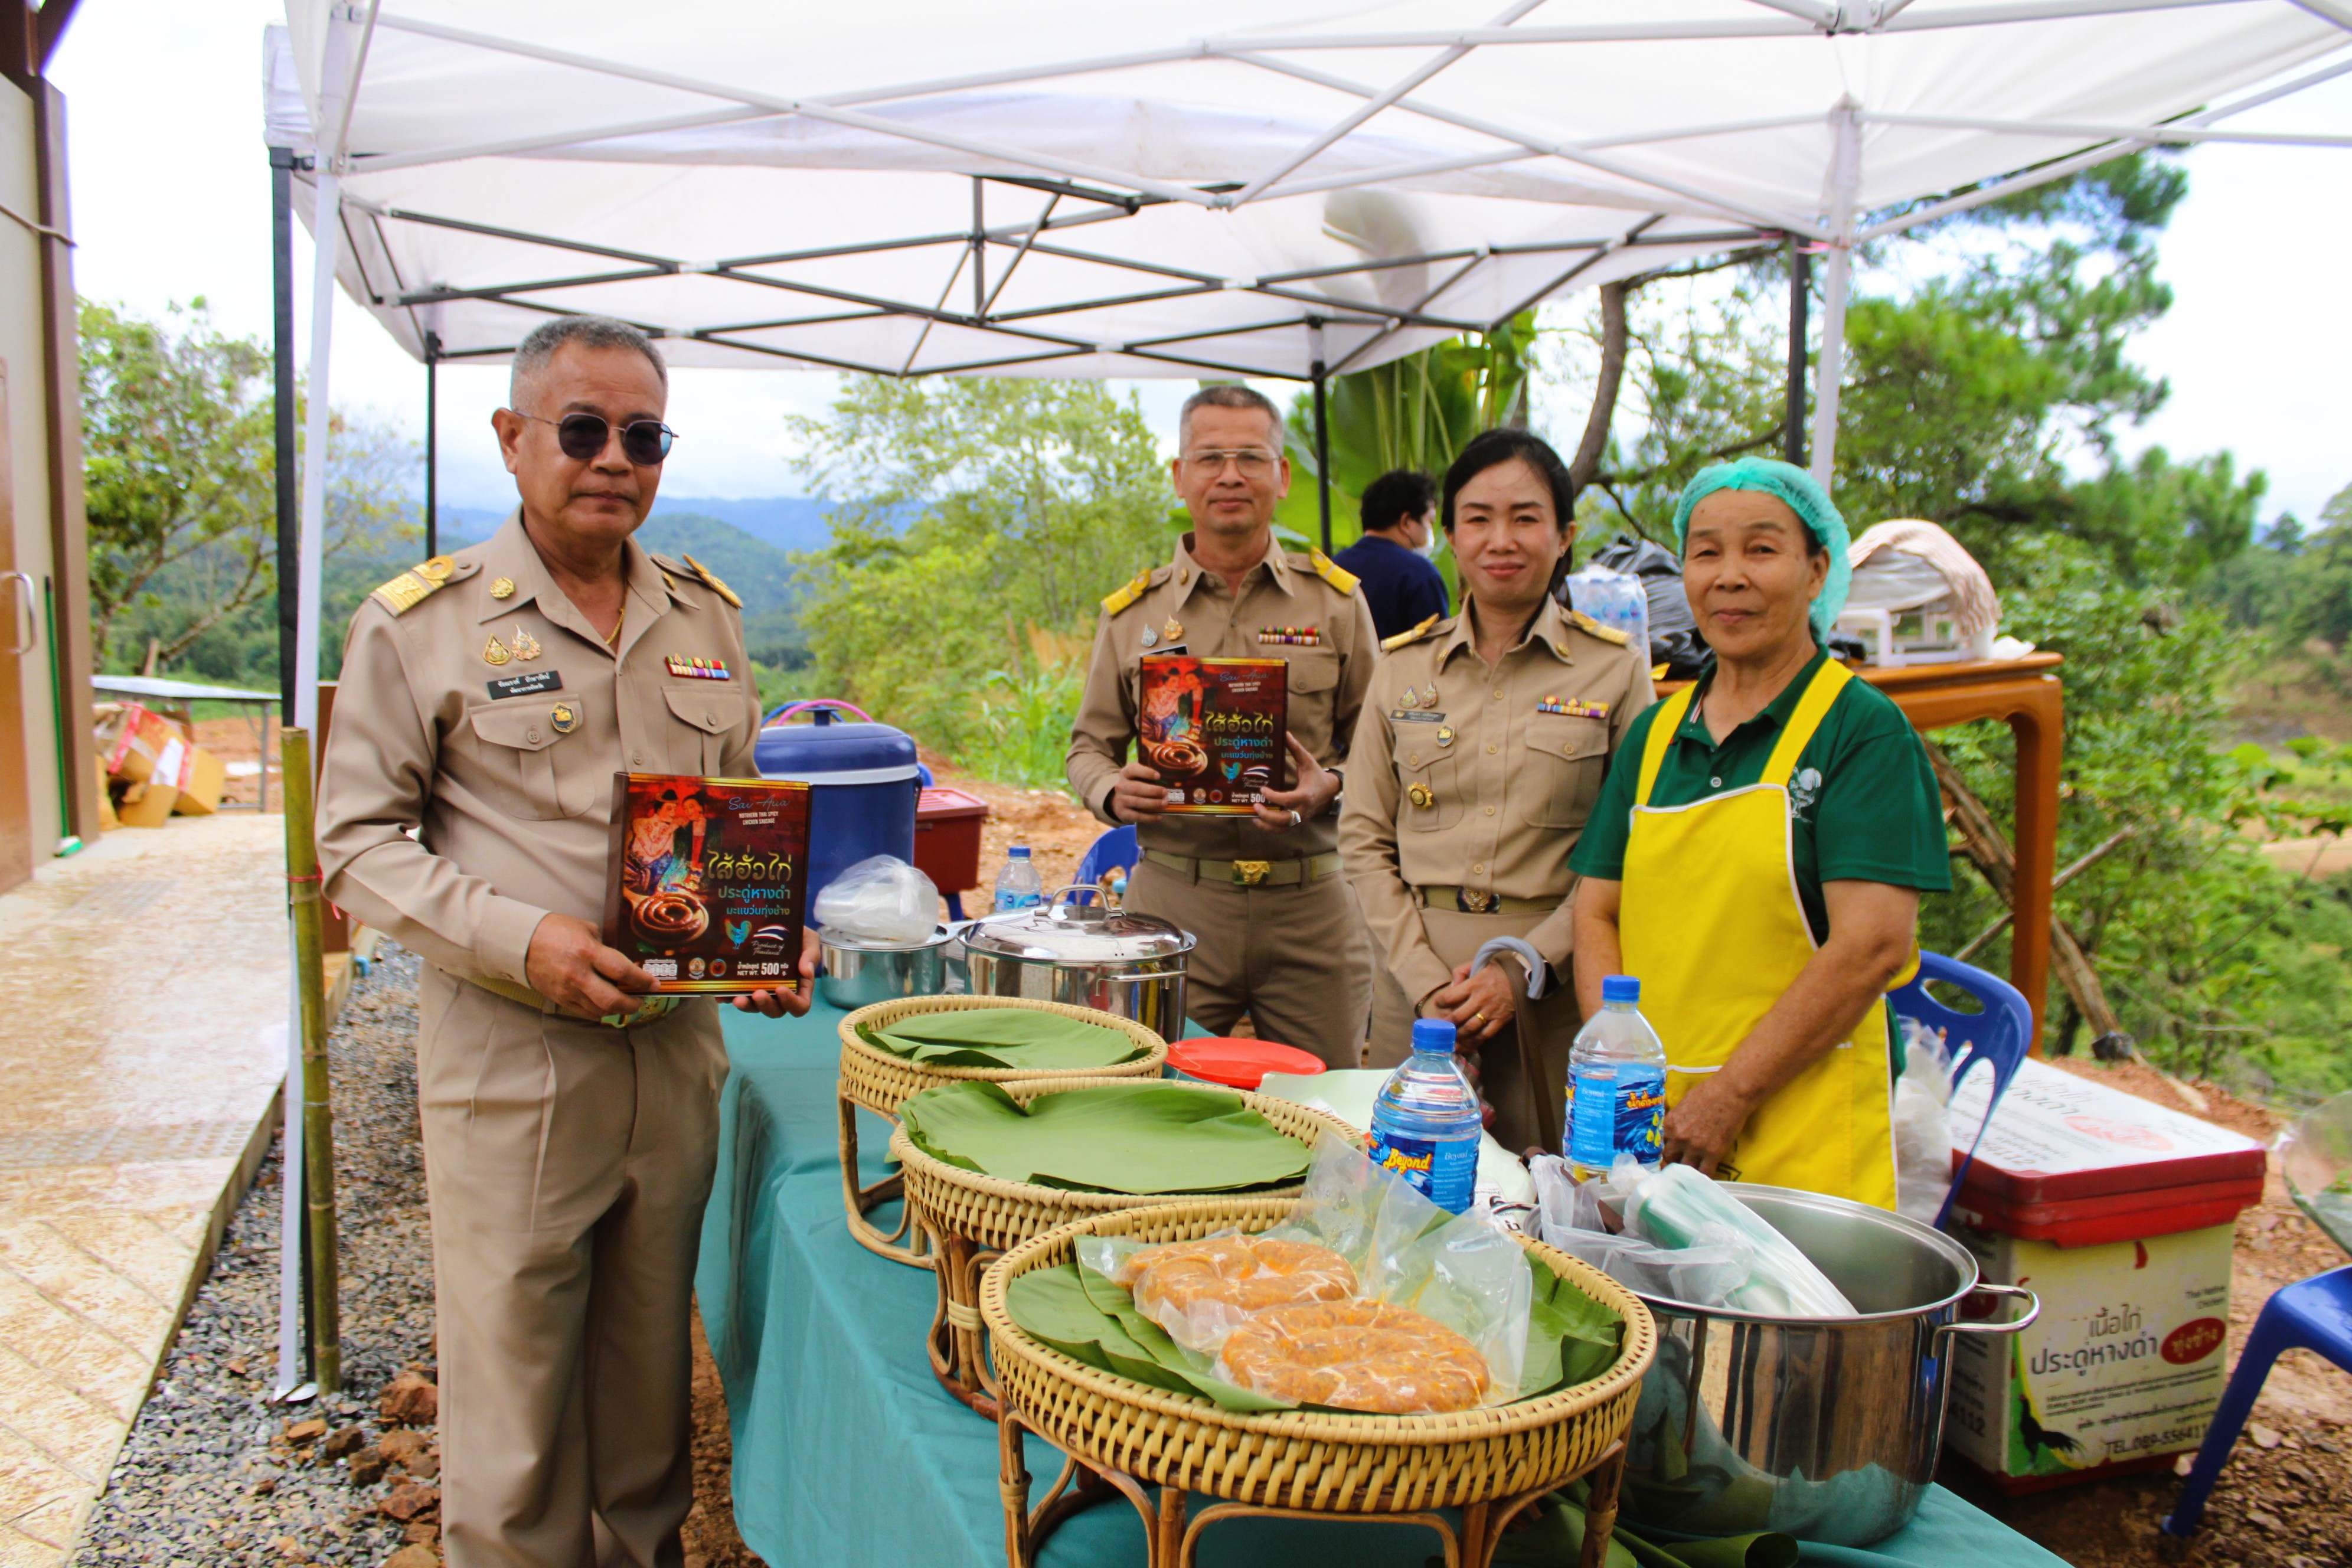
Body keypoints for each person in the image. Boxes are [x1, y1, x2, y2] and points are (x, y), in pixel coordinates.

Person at [317, 316, 816, 1567]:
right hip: (514, 1057)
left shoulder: (704, 616)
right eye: (582, 428)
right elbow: (357, 845)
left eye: (642, 435)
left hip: (675, 1056)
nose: (613, 459)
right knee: (518, 1399)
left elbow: (737, 800)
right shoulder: (417, 625)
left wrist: (767, 937)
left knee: (647, 1376)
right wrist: (518, 938)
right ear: (512, 438)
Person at [1569, 457, 1951, 1209]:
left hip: (1798, 1130)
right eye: (1706, 552)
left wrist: (1731, 1094)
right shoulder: (1655, 736)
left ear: (1817, 571)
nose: (1729, 576)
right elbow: (1597, 910)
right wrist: (1615, 1075)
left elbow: (1872, 944)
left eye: (1762, 549)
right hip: (1656, 1127)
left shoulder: (1860, 733)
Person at [1341, 429, 1654, 1153]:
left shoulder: (1613, 672)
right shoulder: (1402, 667)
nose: (1501, 539)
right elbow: (1360, 835)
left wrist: (1522, 969)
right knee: (1404, 1195)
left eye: (1525, 517)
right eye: (1478, 518)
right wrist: (1426, 984)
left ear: (1564, 534)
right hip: (1412, 984)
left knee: (1544, 1198)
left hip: (1550, 989)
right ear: (1449, 534)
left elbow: (1630, 851)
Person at [1066, 384, 1379, 1067]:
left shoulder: (1337, 603)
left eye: (1250, 457)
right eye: (1210, 458)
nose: (1231, 475)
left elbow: (1384, 750)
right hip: (1176, 897)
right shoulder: (1132, 616)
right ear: (1180, 477)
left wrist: (1331, 784)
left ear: (1282, 475)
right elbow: (1087, 745)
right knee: (1156, 1096)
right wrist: (1115, 794)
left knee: (1323, 1111)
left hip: (1313, 903)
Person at [1332, 468, 1450, 641]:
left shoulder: (1333, 567)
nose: (1430, 532)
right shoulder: (1420, 575)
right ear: (1407, 522)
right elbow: (1437, 652)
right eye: (1429, 522)